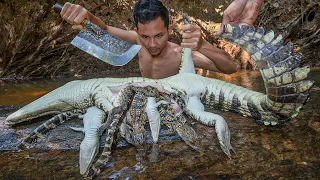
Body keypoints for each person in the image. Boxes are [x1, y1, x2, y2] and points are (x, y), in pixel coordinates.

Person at [60, 0, 238, 79]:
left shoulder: (180, 55)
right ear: (137, 32)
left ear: (169, 30)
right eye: (145, 36)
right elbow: (105, 29)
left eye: (159, 36)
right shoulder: (136, 41)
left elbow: (230, 69)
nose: (152, 45)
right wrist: (87, 17)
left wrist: (203, 45)